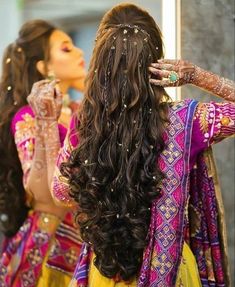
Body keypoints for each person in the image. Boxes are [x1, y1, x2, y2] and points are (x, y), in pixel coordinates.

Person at [29, 3, 235, 287]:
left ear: (100, 64)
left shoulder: (85, 125)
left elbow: (61, 192)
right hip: (172, 275)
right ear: (157, 62)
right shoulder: (187, 123)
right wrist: (196, 75)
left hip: (104, 274)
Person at [0, 19, 86, 286]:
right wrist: (47, 123)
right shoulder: (28, 117)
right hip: (46, 247)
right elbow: (41, 193)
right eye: (66, 48)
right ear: (45, 67)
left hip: (83, 242)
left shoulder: (79, 112)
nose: (80, 53)